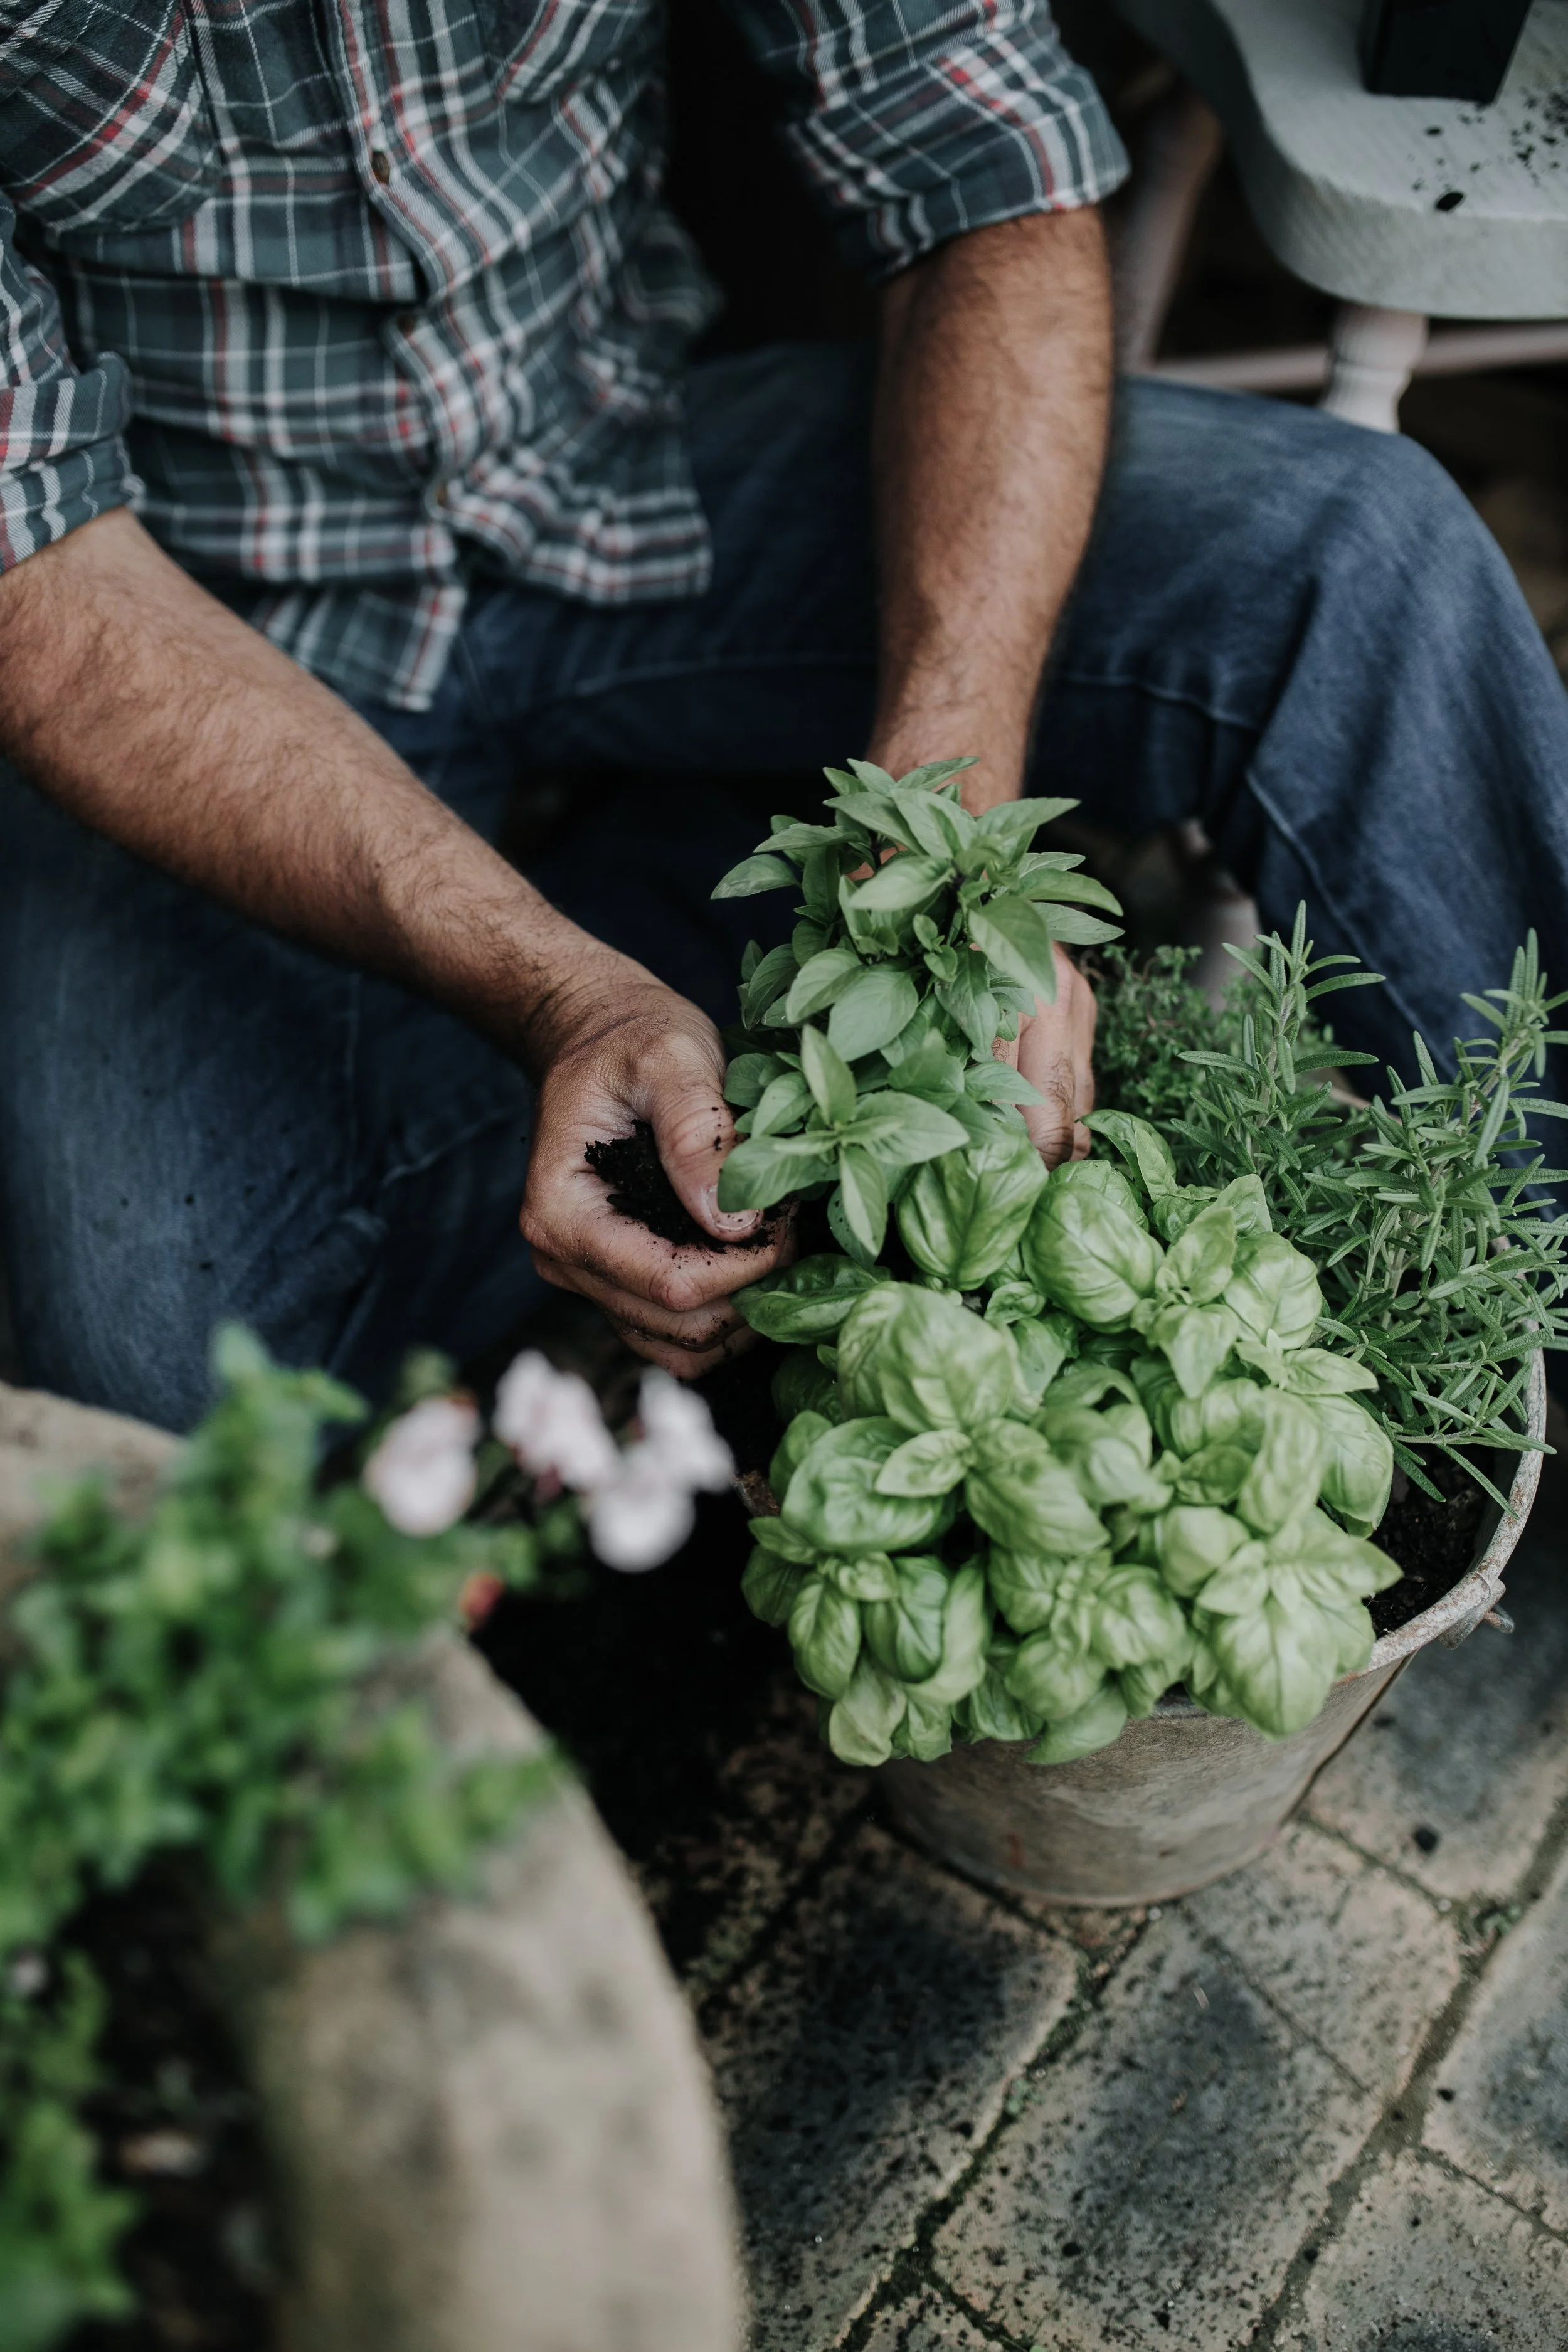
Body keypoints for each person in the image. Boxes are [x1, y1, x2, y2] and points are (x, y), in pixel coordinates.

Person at [0, 1, 1564, 1433]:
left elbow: (981, 155)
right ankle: (665, 1062)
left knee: (1352, 555)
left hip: (629, 473)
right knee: (150, 1357)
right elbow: (39, 573)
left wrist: (935, 829)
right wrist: (550, 992)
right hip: (198, 632)